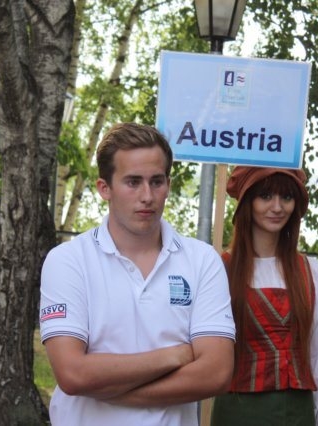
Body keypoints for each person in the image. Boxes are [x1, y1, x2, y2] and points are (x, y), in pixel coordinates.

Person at [39, 122, 236, 425]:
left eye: (157, 181)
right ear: (104, 188)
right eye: (133, 182)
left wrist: (112, 389)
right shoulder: (68, 261)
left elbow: (216, 373)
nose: (147, 196)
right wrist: (174, 356)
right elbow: (73, 374)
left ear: (168, 184)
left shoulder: (202, 260)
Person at [210, 166, 318, 426]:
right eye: (265, 196)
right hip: (236, 413)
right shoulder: (219, 270)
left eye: (286, 197)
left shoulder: (313, 272)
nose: (277, 207)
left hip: (296, 415)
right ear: (248, 202)